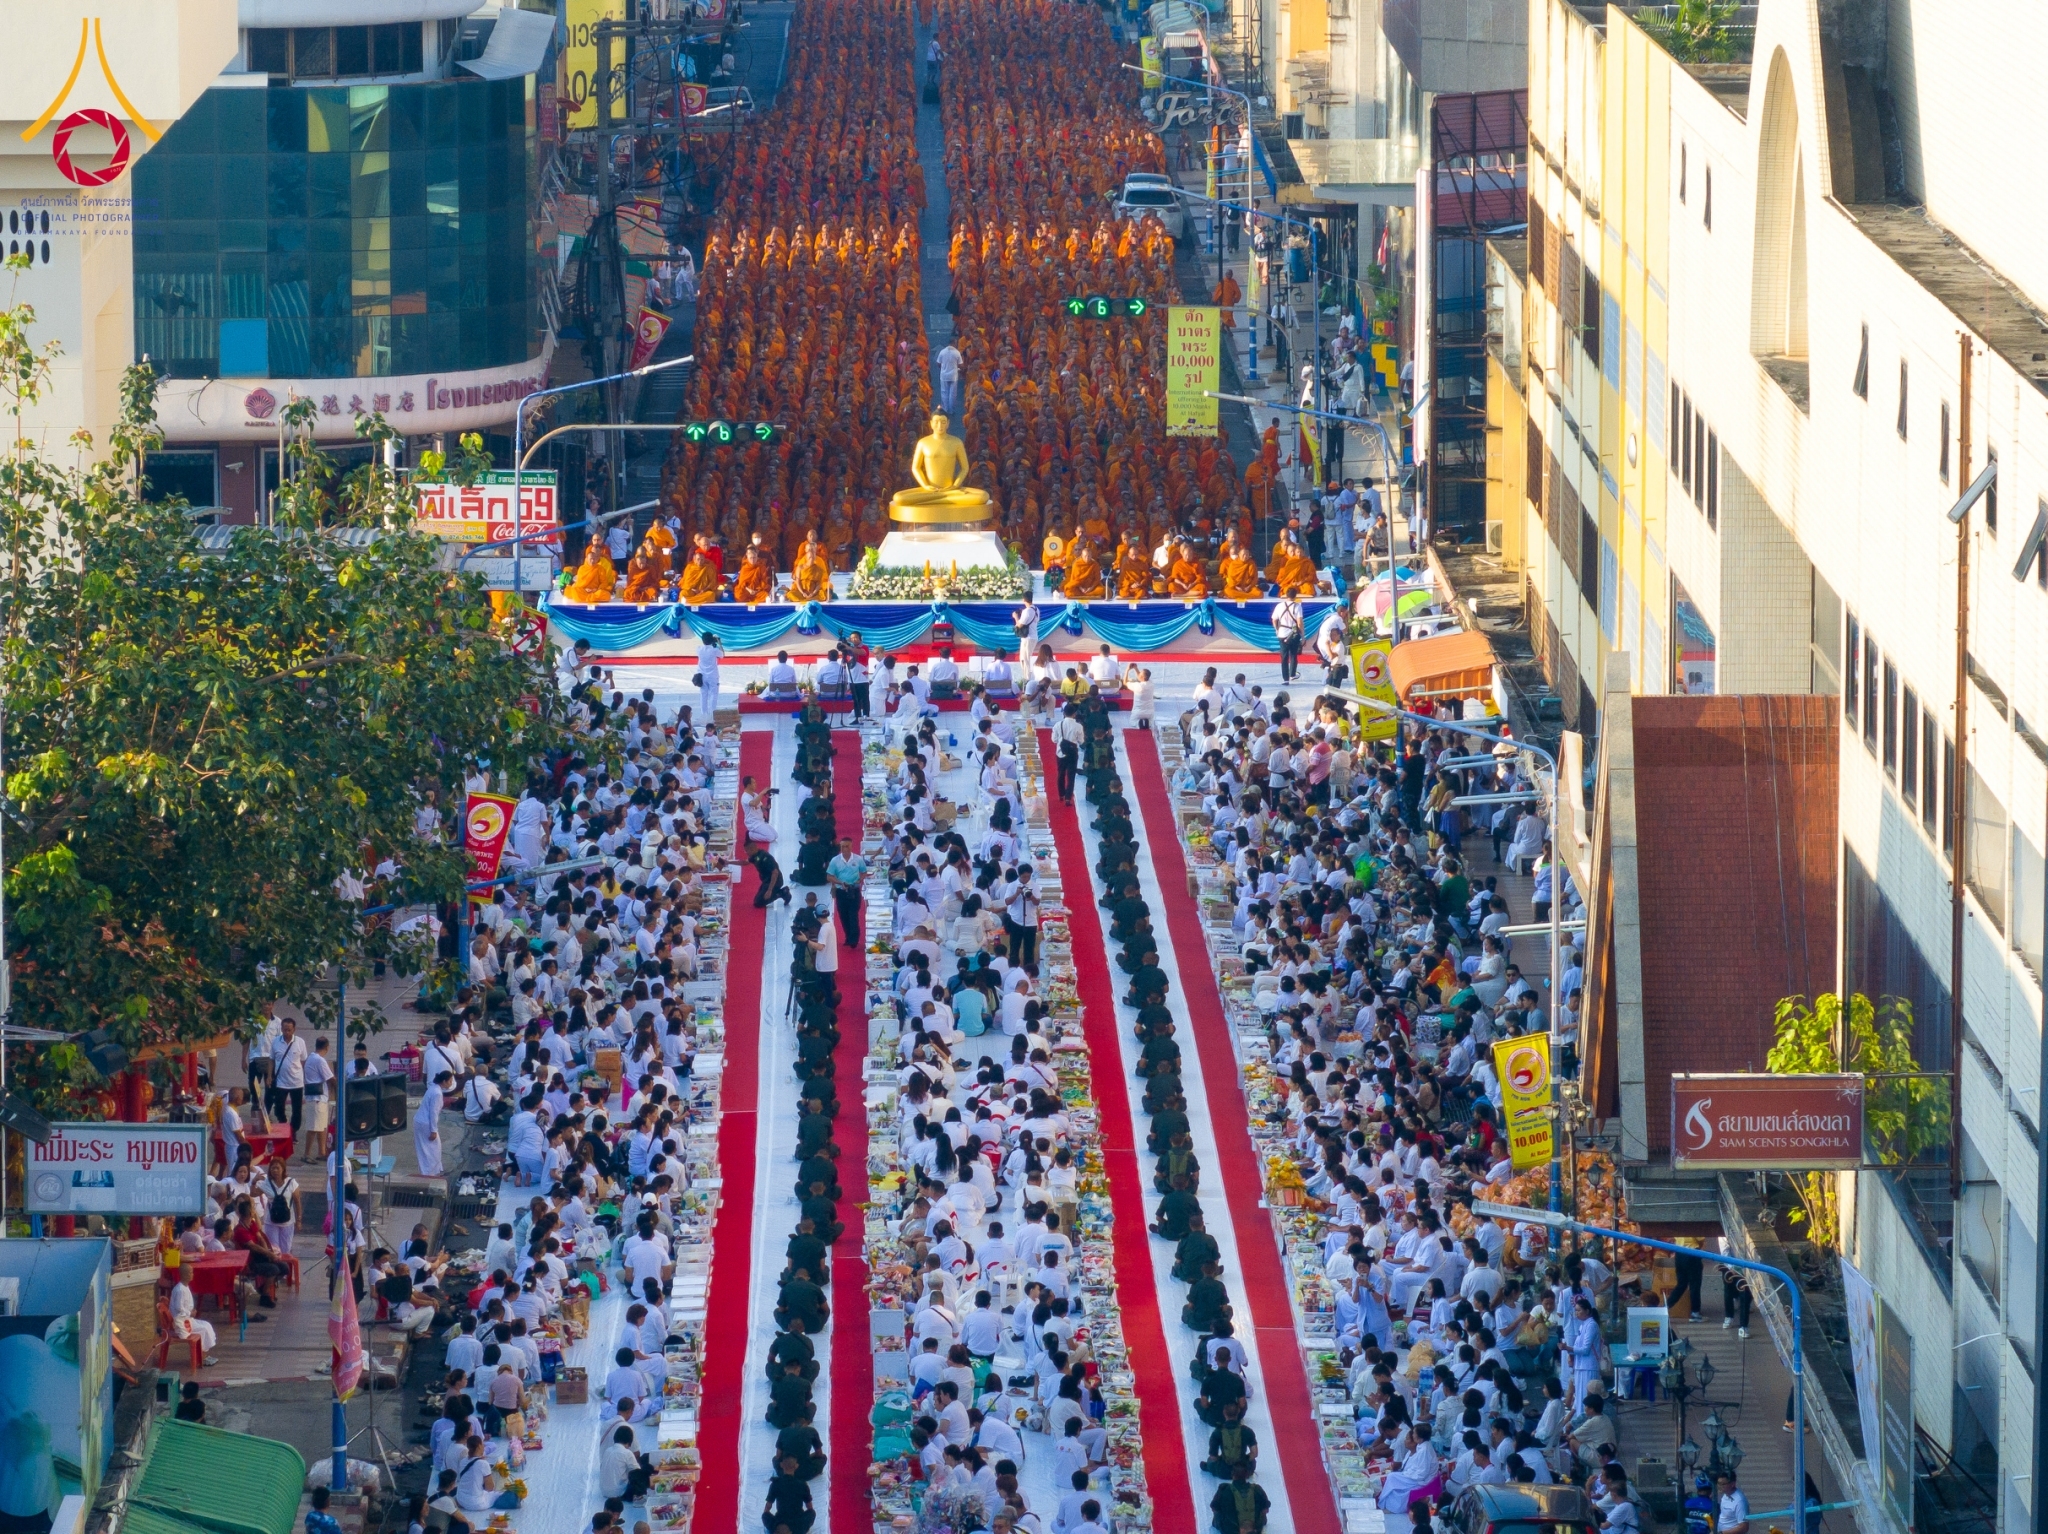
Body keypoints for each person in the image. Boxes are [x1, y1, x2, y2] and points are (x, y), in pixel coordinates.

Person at [163, 1253, 217, 1362]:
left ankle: (202, 1355)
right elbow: (179, 1309)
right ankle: (202, 1357)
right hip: (181, 1322)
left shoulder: (184, 1287)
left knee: (206, 1325)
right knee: (204, 1328)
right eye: (191, 1272)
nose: (193, 1274)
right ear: (186, 1274)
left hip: (186, 1319)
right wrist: (190, 1313)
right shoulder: (180, 1290)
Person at [827, 837, 867, 948]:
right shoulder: (835, 861)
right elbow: (829, 876)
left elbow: (864, 872)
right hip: (841, 892)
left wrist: (860, 879)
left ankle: (854, 939)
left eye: (847, 846)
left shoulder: (858, 859)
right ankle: (848, 937)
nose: (845, 848)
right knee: (843, 916)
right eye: (842, 846)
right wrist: (840, 882)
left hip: (854, 891)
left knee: (853, 915)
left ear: (851, 846)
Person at [414, 1070, 450, 1179]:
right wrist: (434, 1130)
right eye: (450, 1081)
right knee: (431, 1149)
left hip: (421, 1121)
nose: (451, 1083)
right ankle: (430, 1172)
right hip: (426, 1123)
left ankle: (433, 1170)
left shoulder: (433, 1088)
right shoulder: (437, 1093)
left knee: (426, 1149)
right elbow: (433, 1112)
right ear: (444, 1081)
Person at [1272, 594, 1305, 682]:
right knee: (1293, 654)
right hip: (1294, 633)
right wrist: (1303, 636)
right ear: (1295, 596)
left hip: (1282, 633)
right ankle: (1292, 674)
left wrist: (1276, 629)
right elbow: (1299, 623)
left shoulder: (1279, 606)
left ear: (1286, 595)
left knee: (1284, 656)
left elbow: (1274, 619)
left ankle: (1285, 678)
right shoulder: (1297, 606)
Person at [695, 633, 722, 719]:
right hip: (713, 675)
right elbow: (722, 654)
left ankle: (704, 714)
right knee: (713, 695)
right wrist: (719, 643)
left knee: (703, 695)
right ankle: (712, 714)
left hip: (702, 675)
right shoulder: (714, 650)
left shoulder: (699, 649)